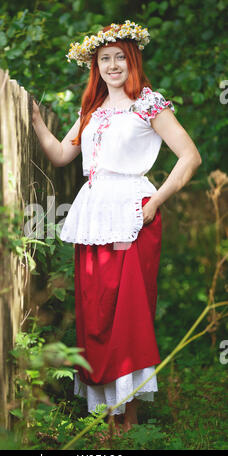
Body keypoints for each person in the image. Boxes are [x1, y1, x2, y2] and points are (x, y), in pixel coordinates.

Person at [32, 20, 202, 435]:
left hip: (132, 214)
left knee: (127, 313)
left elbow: (190, 157)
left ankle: (130, 418)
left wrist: (155, 201)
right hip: (94, 216)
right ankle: (107, 413)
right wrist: (36, 121)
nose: (111, 65)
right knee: (96, 308)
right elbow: (59, 155)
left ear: (132, 60)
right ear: (95, 65)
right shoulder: (89, 110)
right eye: (104, 58)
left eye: (119, 58)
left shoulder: (148, 104)